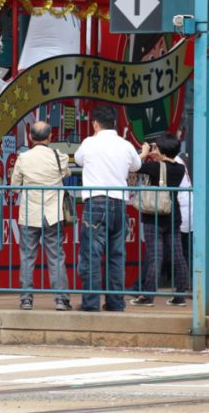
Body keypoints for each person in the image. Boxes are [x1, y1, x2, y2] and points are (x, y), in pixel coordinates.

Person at [74, 105, 141, 312]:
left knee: (92, 255)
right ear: (114, 123)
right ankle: (115, 302)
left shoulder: (89, 143)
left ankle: (91, 304)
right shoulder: (125, 145)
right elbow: (136, 166)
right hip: (119, 203)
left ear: (95, 124)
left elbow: (77, 160)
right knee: (117, 255)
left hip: (95, 203)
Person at [11, 121, 72, 311]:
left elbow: (14, 185)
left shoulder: (23, 158)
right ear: (50, 137)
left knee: (27, 256)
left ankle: (26, 299)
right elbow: (66, 173)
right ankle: (61, 299)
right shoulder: (58, 156)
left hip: (30, 213)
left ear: (30, 137)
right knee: (56, 256)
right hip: (53, 213)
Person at [130, 134, 189, 307]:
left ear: (161, 150)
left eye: (156, 147)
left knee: (155, 257)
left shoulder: (155, 167)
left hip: (153, 217)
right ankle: (179, 295)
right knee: (178, 256)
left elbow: (134, 165)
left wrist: (144, 152)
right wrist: (157, 153)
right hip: (173, 217)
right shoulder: (180, 168)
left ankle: (148, 297)